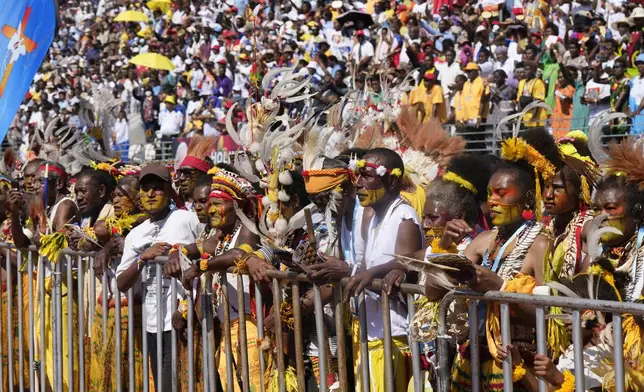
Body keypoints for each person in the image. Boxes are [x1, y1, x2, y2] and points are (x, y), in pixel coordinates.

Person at [450, 128, 558, 391]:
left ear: (528, 199)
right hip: (473, 360)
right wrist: (443, 247)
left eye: (502, 193)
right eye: (490, 194)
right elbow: (437, 289)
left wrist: (499, 287)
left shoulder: (540, 244)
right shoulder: (483, 240)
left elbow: (552, 318)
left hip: (519, 365)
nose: (493, 201)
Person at [344, 148, 425, 392]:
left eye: (367, 176)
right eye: (357, 176)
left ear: (391, 181)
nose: (358, 184)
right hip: (374, 334)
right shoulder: (374, 218)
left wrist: (372, 273)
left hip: (395, 338)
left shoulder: (404, 219)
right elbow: (369, 269)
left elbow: (408, 263)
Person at [115, 164, 202, 391]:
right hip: (152, 322)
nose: (150, 194)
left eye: (157, 188)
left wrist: (179, 251)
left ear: (168, 189)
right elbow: (121, 282)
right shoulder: (136, 234)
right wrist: (143, 258)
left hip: (184, 319)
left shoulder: (187, 219)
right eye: (145, 189)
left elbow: (209, 246)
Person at [88, 172, 148, 391]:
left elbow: (133, 224)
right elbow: (101, 228)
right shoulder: (116, 224)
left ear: (137, 198)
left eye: (122, 195)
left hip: (134, 310)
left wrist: (107, 246)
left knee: (131, 374)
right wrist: (107, 247)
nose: (115, 200)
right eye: (113, 195)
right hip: (110, 306)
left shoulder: (144, 223)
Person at [175, 135, 216, 209]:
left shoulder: (215, 205)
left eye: (187, 172)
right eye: (181, 173)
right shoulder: (175, 206)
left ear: (204, 175)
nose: (182, 178)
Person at [516, 62, 547, 128]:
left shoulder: (538, 82)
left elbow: (537, 101)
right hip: (525, 116)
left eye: (528, 70)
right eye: (525, 70)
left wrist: (534, 117)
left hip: (537, 116)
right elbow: (519, 101)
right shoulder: (521, 82)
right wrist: (518, 116)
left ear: (534, 71)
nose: (525, 72)